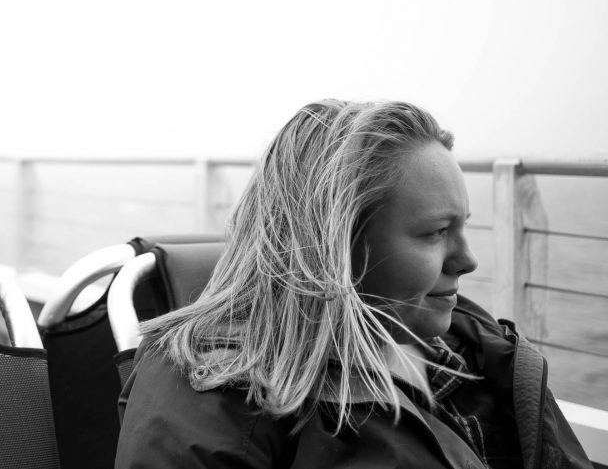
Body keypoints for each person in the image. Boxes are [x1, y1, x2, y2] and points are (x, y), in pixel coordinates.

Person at [115, 100, 591, 469]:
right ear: (336, 246)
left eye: (464, 227)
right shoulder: (213, 403)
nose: (468, 261)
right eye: (435, 233)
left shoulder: (484, 354)